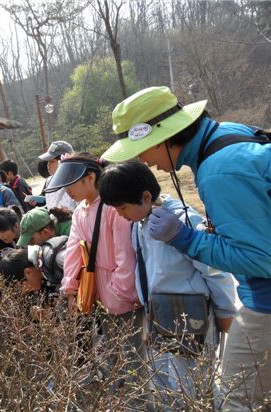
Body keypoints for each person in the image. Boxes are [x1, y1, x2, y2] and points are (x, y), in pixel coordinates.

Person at [101, 86, 271, 410]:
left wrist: (186, 239)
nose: (144, 161)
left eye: (142, 149)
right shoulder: (225, 138)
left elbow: (262, 260)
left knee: (236, 400)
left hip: (265, 300)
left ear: (162, 136)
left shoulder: (219, 171)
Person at [98, 160, 237, 409]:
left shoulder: (182, 218)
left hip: (190, 320)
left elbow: (215, 269)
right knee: (165, 387)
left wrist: (226, 311)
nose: (119, 215)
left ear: (146, 196)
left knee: (193, 388)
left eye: (122, 208)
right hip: (160, 319)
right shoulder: (138, 224)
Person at [45, 153, 143, 387]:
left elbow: (125, 255)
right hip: (100, 294)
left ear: (90, 178)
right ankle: (119, 397)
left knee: (133, 359)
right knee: (111, 352)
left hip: (122, 297)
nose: (67, 190)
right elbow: (73, 250)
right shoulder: (80, 211)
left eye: (71, 183)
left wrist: (120, 293)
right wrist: (70, 287)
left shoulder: (112, 207)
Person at [0, 236, 68, 320]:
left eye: (21, 286)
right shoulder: (45, 266)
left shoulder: (59, 259)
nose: (25, 290)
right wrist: (51, 314)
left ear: (28, 272)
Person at [38, 141, 78, 211]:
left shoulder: (77, 181)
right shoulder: (49, 181)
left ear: (64, 160)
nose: (48, 164)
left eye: (52, 161)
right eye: (48, 161)